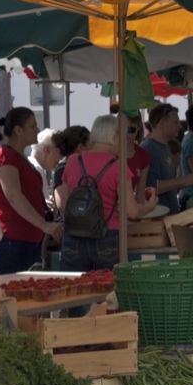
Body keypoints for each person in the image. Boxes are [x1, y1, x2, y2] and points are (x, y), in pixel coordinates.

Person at [55, 115, 157, 271]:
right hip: (107, 236)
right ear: (114, 136)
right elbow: (133, 212)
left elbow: (62, 200)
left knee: (73, 291)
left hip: (74, 236)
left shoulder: (73, 161)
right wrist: (149, 207)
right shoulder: (119, 167)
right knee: (107, 290)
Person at [0, 107, 61, 274]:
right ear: (18, 130)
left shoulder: (19, 157)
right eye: (32, 126)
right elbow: (13, 195)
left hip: (25, 240)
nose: (37, 129)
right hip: (13, 241)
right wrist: (44, 225)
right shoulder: (6, 156)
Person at [141, 103, 193, 214]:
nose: (180, 126)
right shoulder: (148, 149)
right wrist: (182, 181)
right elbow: (148, 187)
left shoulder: (165, 147)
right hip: (156, 218)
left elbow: (170, 184)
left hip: (169, 215)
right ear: (161, 123)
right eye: (175, 122)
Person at [51, 125, 90, 213]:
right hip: (71, 223)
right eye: (90, 145)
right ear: (80, 147)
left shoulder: (85, 167)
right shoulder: (62, 169)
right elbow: (62, 204)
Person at [28, 129, 61, 214]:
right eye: (59, 152)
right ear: (46, 150)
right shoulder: (35, 169)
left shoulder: (32, 165)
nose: (60, 158)